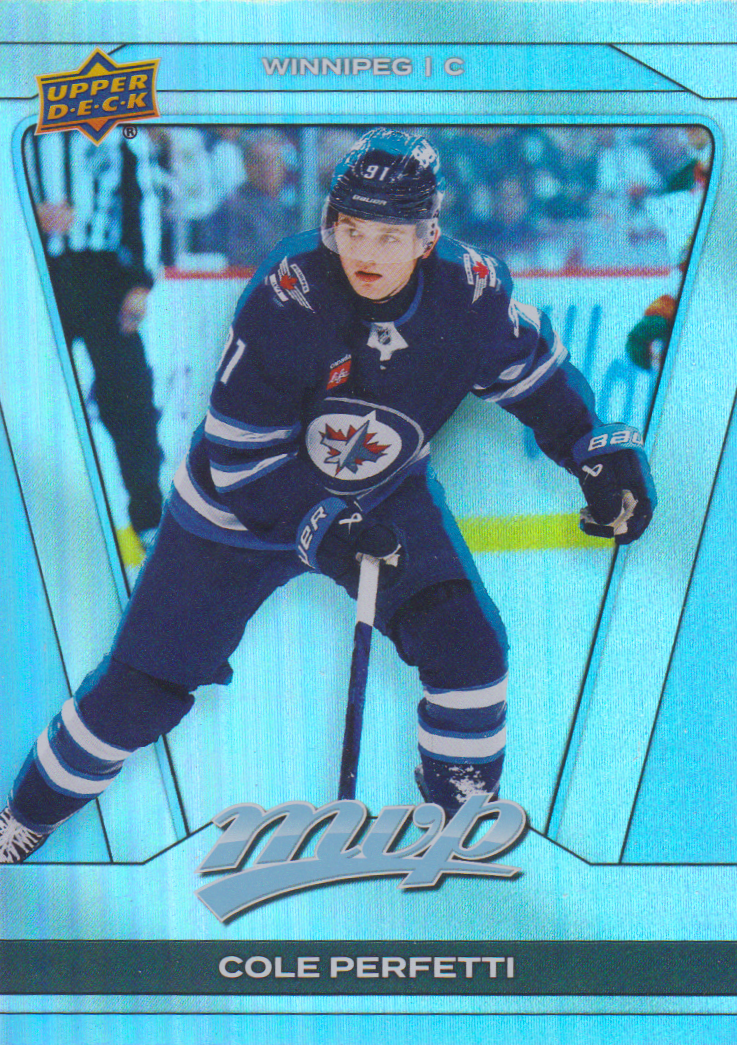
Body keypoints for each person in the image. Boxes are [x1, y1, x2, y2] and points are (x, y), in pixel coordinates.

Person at [0, 128, 656, 864]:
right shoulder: (289, 295)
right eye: (351, 229)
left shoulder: (469, 293)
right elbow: (242, 457)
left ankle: (460, 820)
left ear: (428, 235)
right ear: (329, 225)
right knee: (140, 692)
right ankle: (24, 815)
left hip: (381, 492)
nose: (365, 252)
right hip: (234, 511)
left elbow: (533, 375)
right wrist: (325, 526)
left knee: (468, 650)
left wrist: (594, 448)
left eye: (389, 235)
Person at [24, 129, 165, 561]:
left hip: (102, 273)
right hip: (27, 268)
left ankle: (149, 521)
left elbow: (142, 196)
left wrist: (141, 281)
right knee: (22, 394)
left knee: (129, 399)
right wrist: (24, 210)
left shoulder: (116, 124)